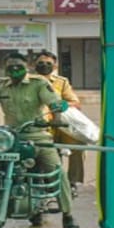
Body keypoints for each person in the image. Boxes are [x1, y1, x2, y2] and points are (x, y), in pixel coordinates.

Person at [0, 52, 78, 228]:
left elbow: (53, 101)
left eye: (18, 66)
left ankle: (68, 213)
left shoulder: (38, 83)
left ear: (26, 68)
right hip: (10, 137)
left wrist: (56, 116)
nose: (15, 69)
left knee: (57, 172)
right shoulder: (1, 86)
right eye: (11, 67)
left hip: (37, 135)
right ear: (6, 69)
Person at [33, 50, 85, 196]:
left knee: (78, 144)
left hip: (60, 124)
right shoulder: (28, 81)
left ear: (55, 65)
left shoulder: (61, 82)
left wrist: (59, 105)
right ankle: (43, 180)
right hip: (39, 125)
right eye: (41, 63)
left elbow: (75, 102)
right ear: (33, 65)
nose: (44, 65)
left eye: (48, 63)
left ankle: (72, 182)